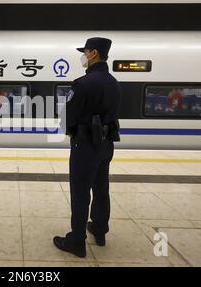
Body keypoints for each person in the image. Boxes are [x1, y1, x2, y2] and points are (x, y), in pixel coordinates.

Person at [53, 37, 122, 258]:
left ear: (94, 54)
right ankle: (99, 230)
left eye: (85, 51)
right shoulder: (114, 82)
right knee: (101, 188)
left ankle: (77, 241)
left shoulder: (82, 84)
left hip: (85, 146)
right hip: (106, 145)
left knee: (80, 191)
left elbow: (66, 118)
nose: (82, 55)